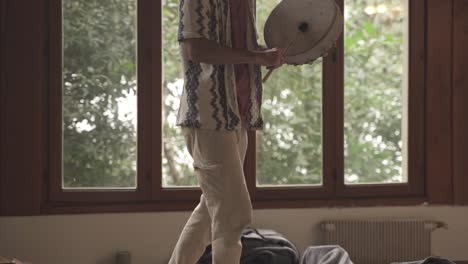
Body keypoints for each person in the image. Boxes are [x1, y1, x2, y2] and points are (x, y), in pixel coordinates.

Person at [168, 0, 285, 262]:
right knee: (234, 213)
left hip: (238, 114)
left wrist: (265, 54)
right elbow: (196, 48)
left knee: (209, 214)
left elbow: (239, 49)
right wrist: (255, 56)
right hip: (209, 116)